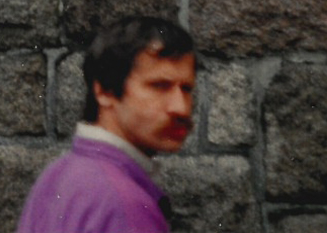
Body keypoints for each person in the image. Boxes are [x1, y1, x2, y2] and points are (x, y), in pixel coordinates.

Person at [16, 16, 196, 233]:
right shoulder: (126, 203)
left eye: (186, 89)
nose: (181, 108)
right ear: (104, 91)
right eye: (159, 86)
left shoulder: (56, 174)